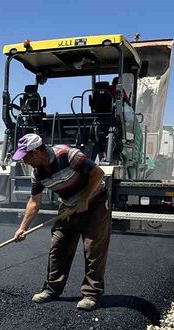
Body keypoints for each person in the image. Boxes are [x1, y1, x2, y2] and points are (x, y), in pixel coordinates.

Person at [12, 133, 111, 311]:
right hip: (68, 206)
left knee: (93, 249)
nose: (24, 161)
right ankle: (52, 289)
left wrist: (85, 198)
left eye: (25, 157)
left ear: (36, 152)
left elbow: (98, 173)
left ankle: (91, 294)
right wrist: (22, 228)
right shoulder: (37, 173)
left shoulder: (67, 155)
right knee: (58, 245)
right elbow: (34, 202)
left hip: (95, 202)